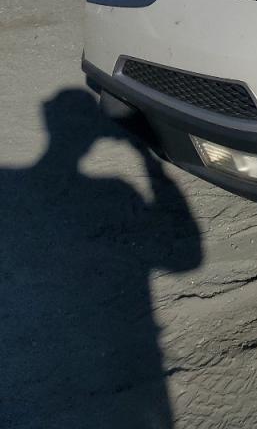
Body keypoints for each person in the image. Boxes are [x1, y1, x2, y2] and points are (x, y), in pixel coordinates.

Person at [0, 89, 202, 428]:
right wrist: (148, 158)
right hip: (126, 387)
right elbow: (187, 259)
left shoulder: (9, 186)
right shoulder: (115, 190)